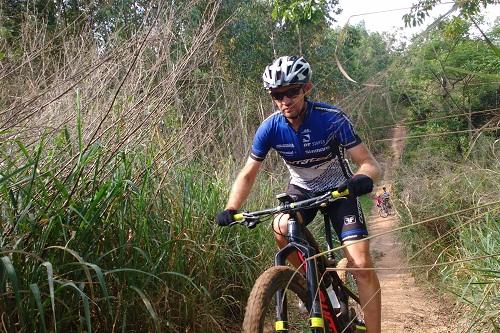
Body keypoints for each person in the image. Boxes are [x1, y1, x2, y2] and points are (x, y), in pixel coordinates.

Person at [215, 55, 381, 333]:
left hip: (339, 190)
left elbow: (370, 163)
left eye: (292, 91)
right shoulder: (270, 127)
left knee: (362, 264)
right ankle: (313, 283)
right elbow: (248, 173)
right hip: (301, 190)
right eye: (277, 94)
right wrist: (232, 207)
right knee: (279, 226)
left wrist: (361, 178)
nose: (285, 100)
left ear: (307, 88)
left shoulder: (331, 119)